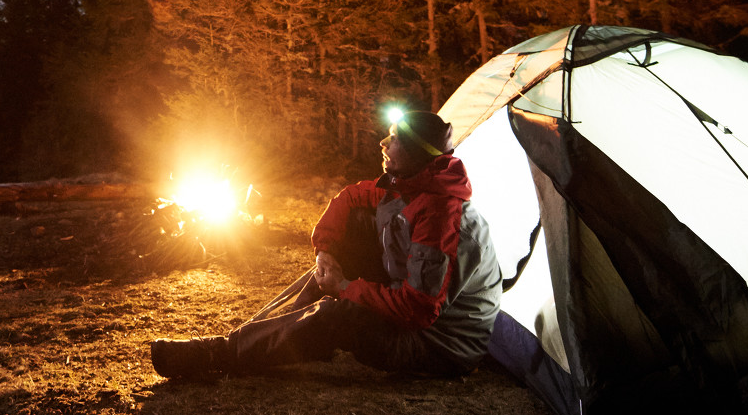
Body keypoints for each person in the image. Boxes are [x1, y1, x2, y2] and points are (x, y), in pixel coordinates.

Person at [150, 109, 501, 379]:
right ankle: (279, 332)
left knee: (340, 314)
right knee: (350, 235)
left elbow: (418, 310)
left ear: (416, 151)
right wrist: (326, 253)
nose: (383, 143)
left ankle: (220, 354)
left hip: (440, 345)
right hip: (412, 312)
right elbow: (350, 197)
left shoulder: (444, 218)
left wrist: (345, 288)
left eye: (393, 138)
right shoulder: (409, 186)